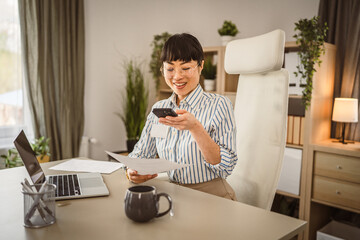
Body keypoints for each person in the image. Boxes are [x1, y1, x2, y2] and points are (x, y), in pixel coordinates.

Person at [127, 33, 238, 200]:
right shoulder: (159, 108)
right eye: (170, 69)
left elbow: (225, 168)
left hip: (212, 195)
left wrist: (195, 128)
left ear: (201, 66)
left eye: (186, 68)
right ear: (162, 69)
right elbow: (141, 154)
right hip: (174, 194)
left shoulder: (219, 105)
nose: (177, 76)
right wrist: (132, 171)